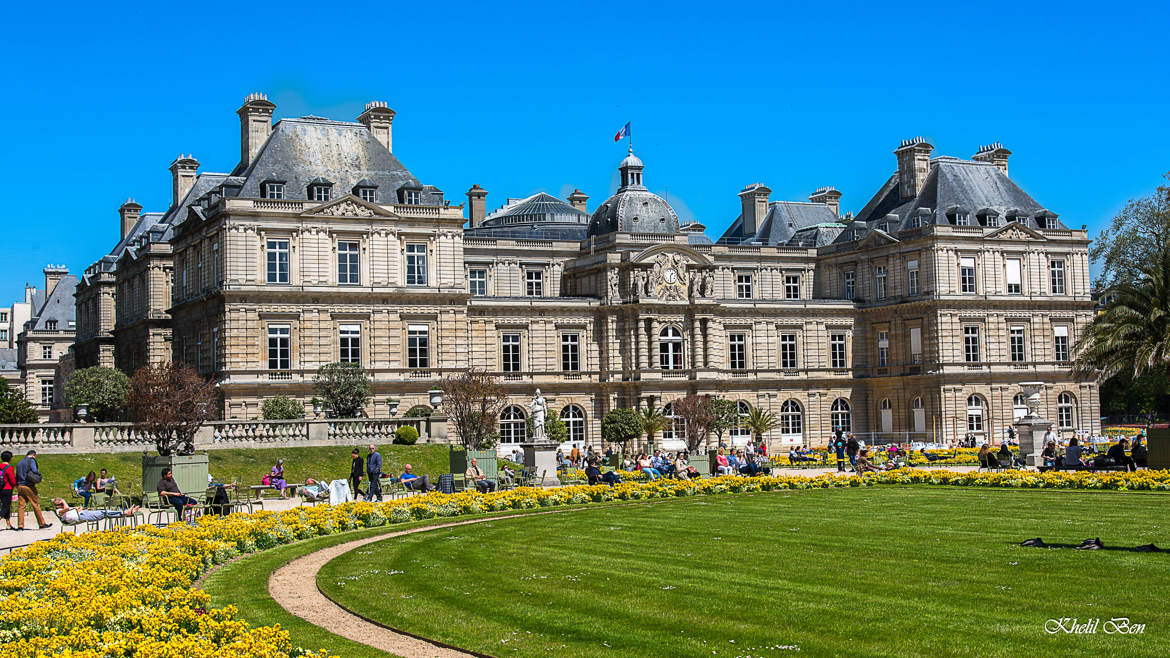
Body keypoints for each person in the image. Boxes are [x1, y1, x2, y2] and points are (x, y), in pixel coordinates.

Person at [16, 450, 50, 531]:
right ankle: (42, 523)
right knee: (35, 504)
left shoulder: (20, 462)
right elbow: (34, 470)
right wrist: (38, 475)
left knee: (21, 506)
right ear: (34, 455)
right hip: (28, 485)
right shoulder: (31, 461)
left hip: (20, 485)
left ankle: (20, 525)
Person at [53, 498, 141, 525]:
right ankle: (125, 513)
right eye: (59, 503)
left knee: (104, 511)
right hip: (81, 517)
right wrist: (64, 500)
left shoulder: (63, 509)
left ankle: (125, 512)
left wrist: (77, 509)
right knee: (104, 513)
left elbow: (72, 509)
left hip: (83, 513)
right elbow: (67, 509)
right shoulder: (59, 511)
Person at [1, 450, 15, 531]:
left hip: (0, 488)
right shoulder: (9, 468)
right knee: (6, 507)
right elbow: (12, 480)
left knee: (5, 506)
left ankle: (8, 524)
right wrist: (16, 485)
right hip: (7, 488)